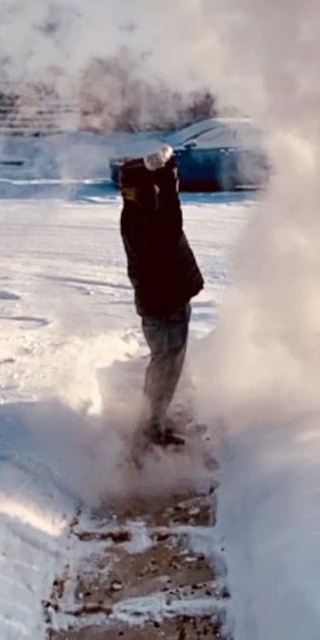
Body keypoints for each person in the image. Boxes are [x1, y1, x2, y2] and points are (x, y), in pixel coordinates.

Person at [119, 143, 204, 448]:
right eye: (149, 186)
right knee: (164, 372)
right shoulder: (143, 221)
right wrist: (167, 182)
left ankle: (152, 424)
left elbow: (166, 214)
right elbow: (170, 223)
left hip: (165, 303)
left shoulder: (137, 213)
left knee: (165, 369)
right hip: (165, 307)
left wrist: (166, 174)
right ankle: (150, 433)